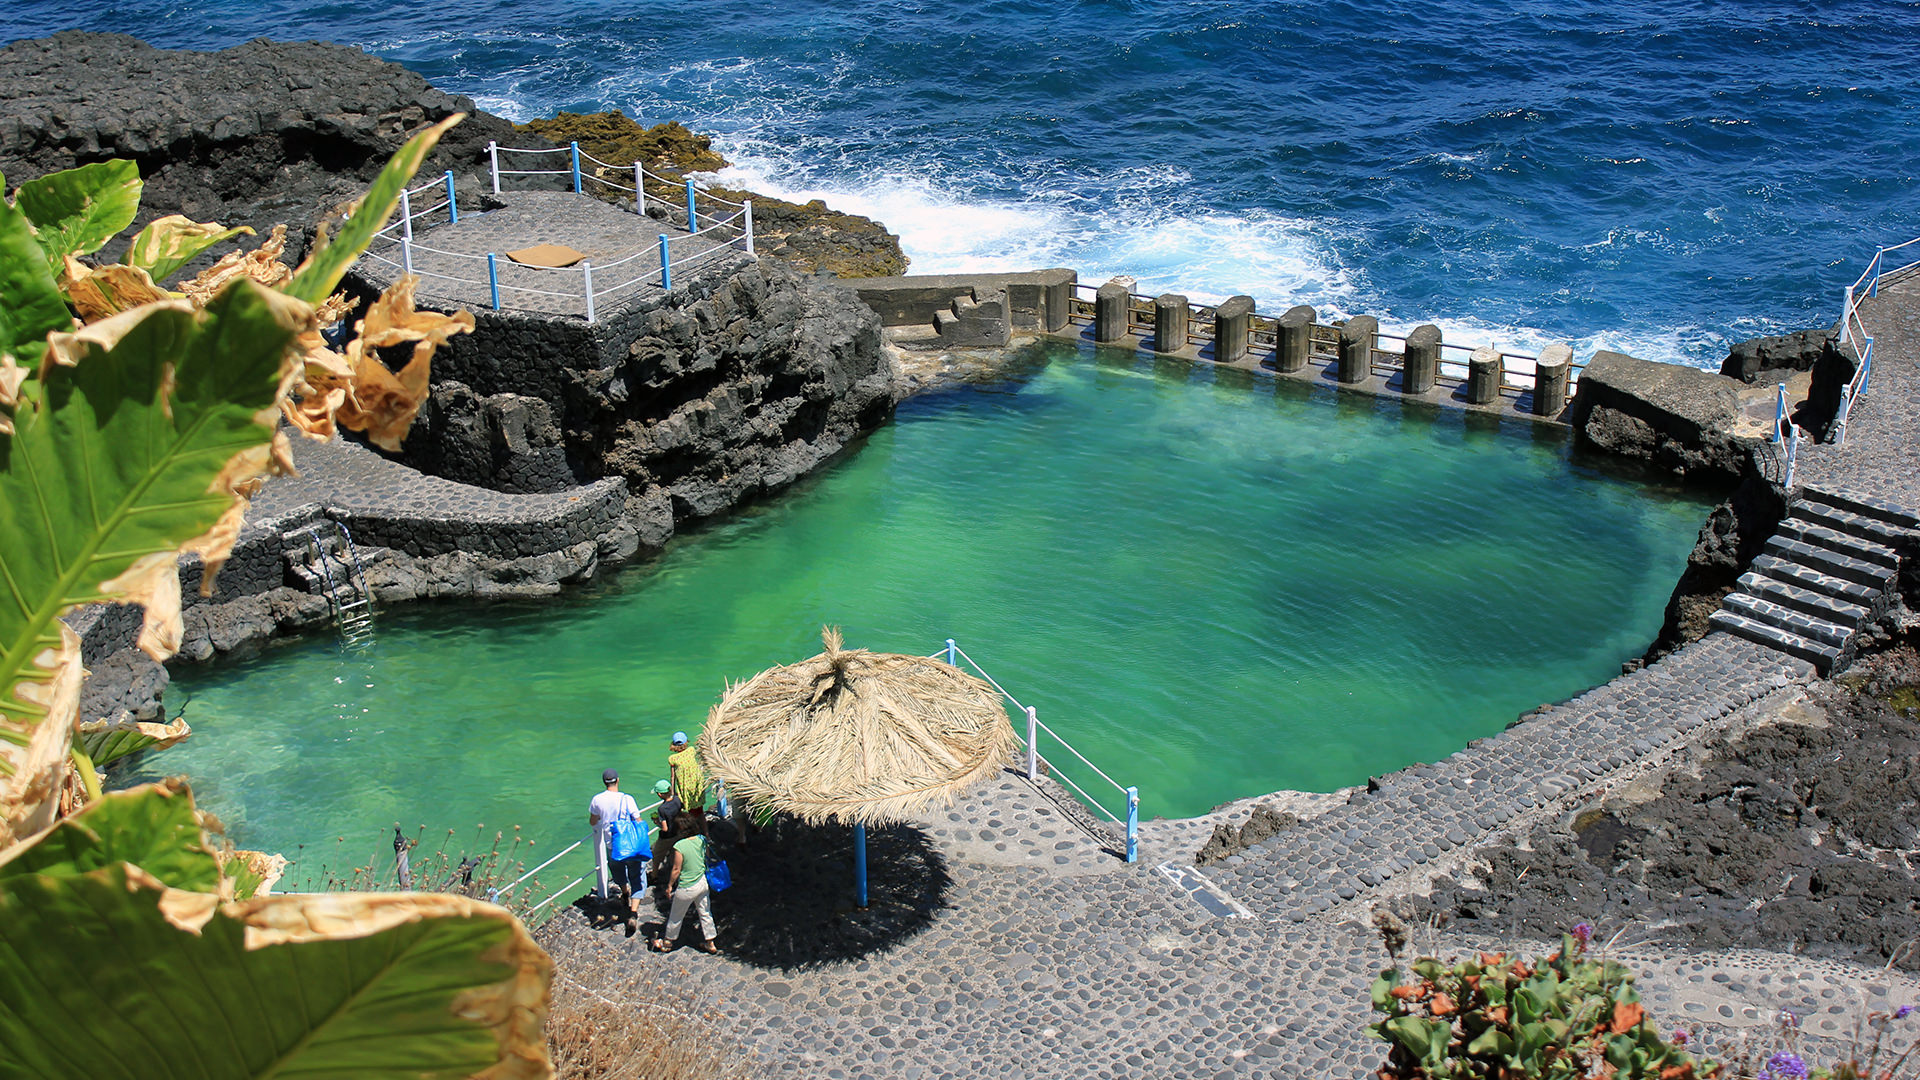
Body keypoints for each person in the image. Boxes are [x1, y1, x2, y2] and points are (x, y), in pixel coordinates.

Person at [587, 767, 644, 933]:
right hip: (631, 847)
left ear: (604, 782)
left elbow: (593, 821)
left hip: (613, 846)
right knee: (637, 876)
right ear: (618, 780)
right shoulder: (627, 799)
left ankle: (624, 893)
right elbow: (638, 820)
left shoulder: (597, 800)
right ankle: (633, 913)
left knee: (618, 874)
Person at [652, 811, 717, 954]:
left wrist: (669, 886)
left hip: (687, 887)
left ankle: (667, 942)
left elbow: (676, 869)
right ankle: (710, 942)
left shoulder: (680, 846)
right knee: (705, 913)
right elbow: (706, 856)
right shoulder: (702, 839)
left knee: (676, 916)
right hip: (702, 882)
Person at [667, 731, 707, 809]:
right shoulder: (691, 750)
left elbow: (673, 777)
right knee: (698, 809)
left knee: (691, 809)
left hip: (684, 786)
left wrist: (672, 792)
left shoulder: (672, 758)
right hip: (696, 783)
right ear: (686, 742)